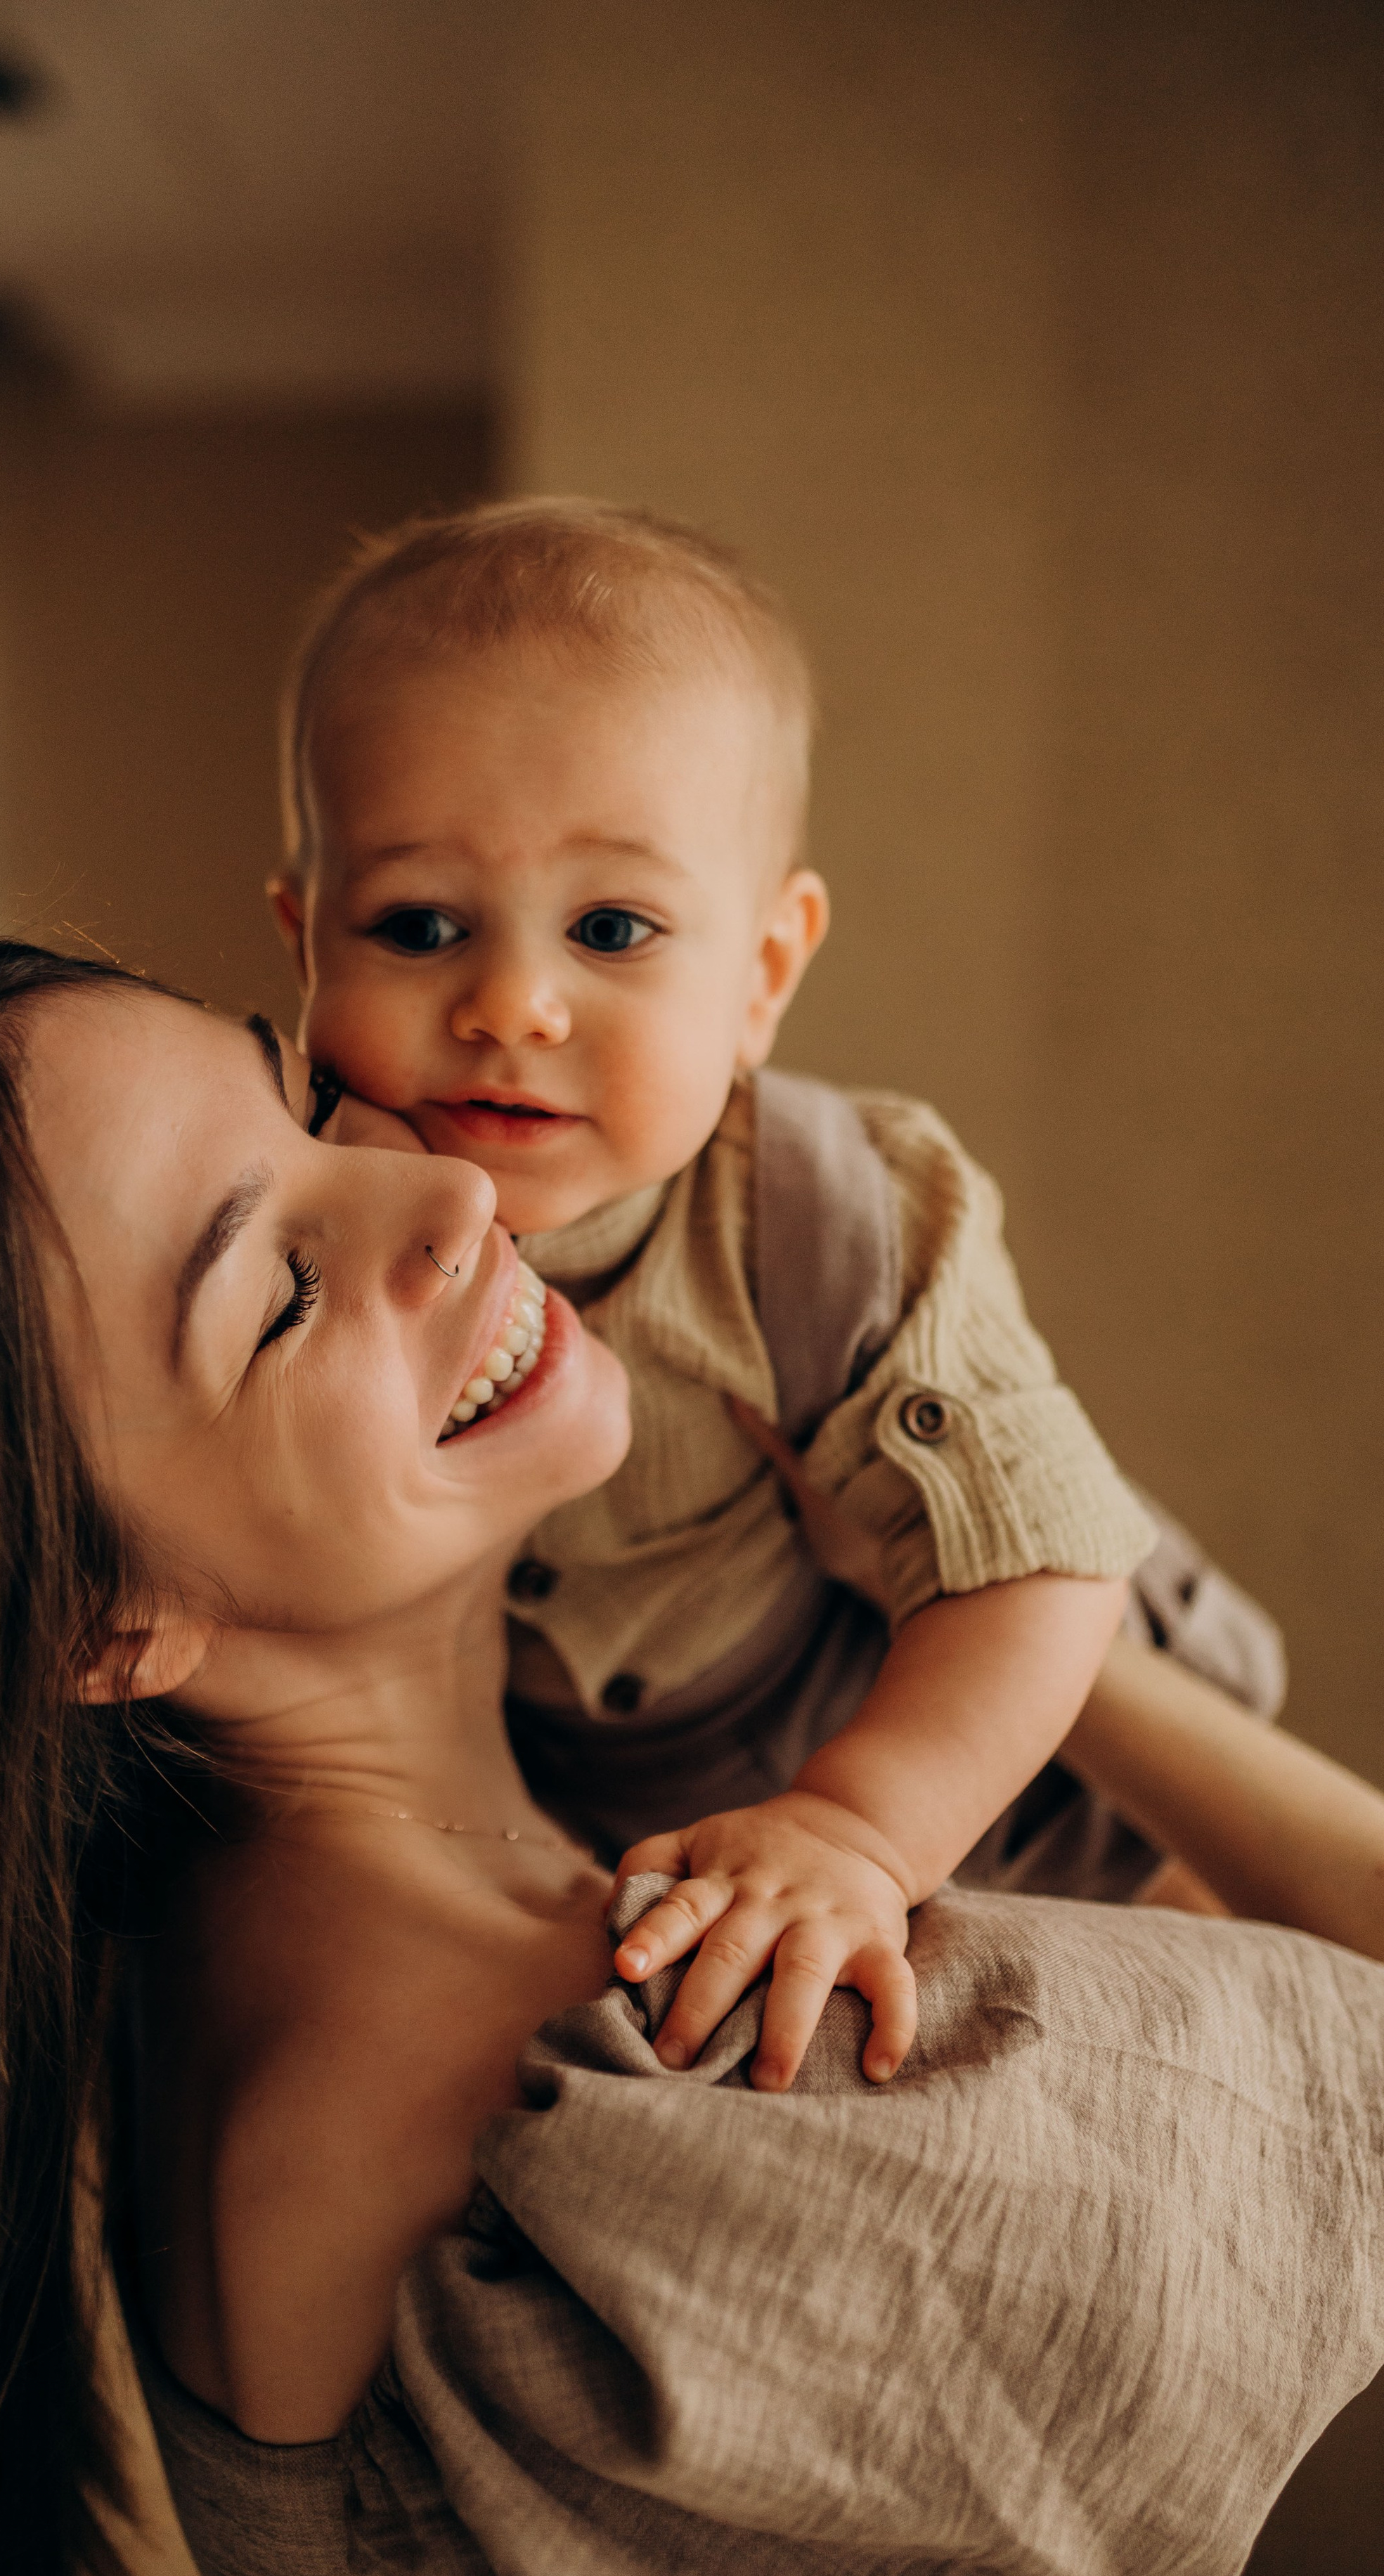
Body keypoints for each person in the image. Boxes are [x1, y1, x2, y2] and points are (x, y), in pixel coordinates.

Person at [0, 937, 1380, 2576]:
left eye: (305, 1099)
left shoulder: (202, 1994)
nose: (439, 1184)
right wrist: (1013, 1568)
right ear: (95, 1626)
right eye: (280, 1290)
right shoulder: (664, 2050)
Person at [263, 496, 1281, 2096]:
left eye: (610, 928)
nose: (509, 1002)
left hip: (937, 1709)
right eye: (415, 925)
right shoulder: (294, 1206)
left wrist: (860, 1823)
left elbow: (1040, 1566)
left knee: (1190, 1982)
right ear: (301, 941)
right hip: (607, 1790)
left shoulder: (833, 1216)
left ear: (759, 974)